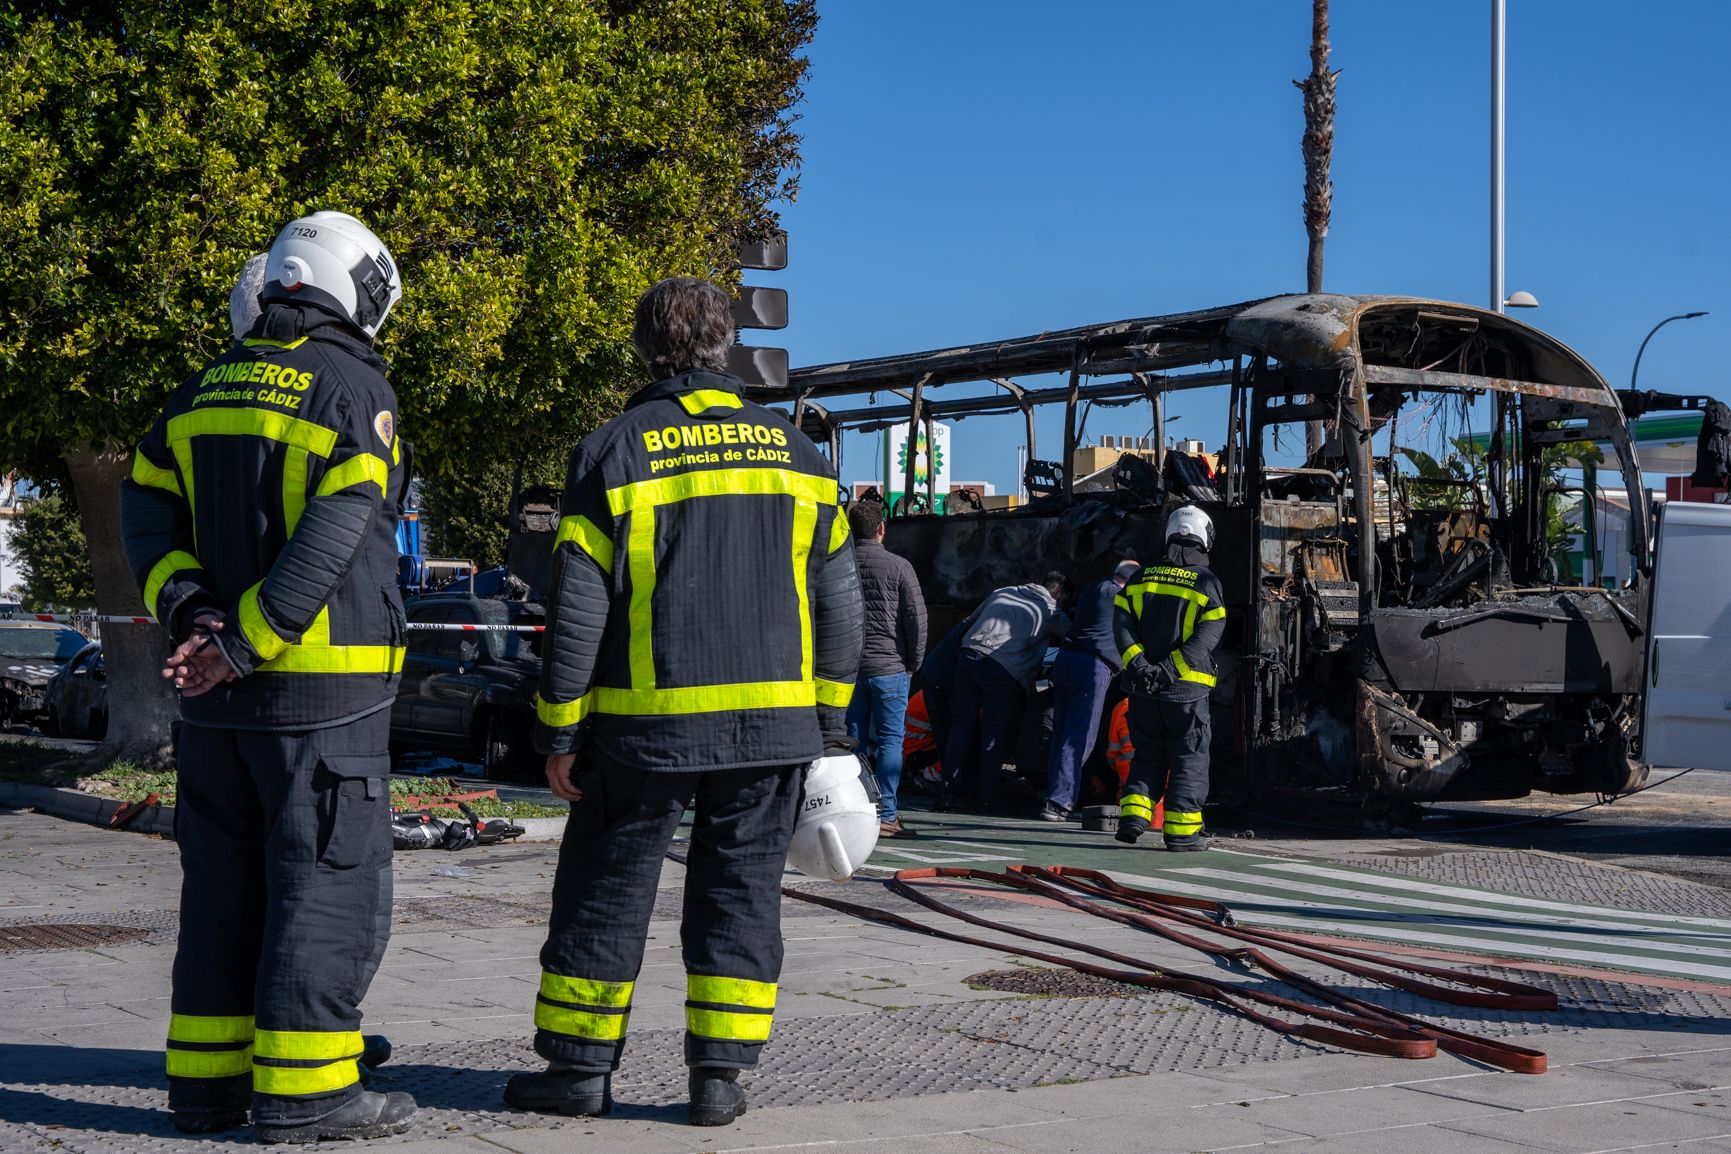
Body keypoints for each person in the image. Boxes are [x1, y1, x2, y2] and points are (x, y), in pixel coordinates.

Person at [506, 277, 862, 1128]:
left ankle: (580, 1070)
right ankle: (719, 1078)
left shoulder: (612, 451)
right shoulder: (798, 454)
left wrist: (559, 727)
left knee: (605, 891)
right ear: (724, 348)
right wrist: (832, 727)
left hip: (644, 733)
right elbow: (842, 599)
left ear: (641, 347)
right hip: (773, 733)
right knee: (740, 895)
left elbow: (581, 602)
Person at [121, 213, 416, 1142]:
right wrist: (243, 639)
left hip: (216, 711)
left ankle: (207, 1089)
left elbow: (145, 516)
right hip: (323, 703)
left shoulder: (195, 392)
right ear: (354, 288)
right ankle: (308, 1094)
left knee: (219, 890)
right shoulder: (352, 385)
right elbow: (337, 530)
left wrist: (194, 617)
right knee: (323, 885)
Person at [1112, 505, 1225, 851]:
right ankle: (1182, 833)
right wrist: (1169, 671)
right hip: (1185, 693)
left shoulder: (1140, 578)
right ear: (1204, 539)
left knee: (1146, 754)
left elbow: (1121, 627)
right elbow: (1208, 636)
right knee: (1189, 758)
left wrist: (1141, 667)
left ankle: (1132, 818)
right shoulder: (1207, 582)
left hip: (1143, 690)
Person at [943, 573, 1071, 812]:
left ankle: (949, 791)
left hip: (968, 656)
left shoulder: (1002, 592)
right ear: (1059, 593)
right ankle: (988, 795)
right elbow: (1074, 639)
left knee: (961, 726)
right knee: (994, 733)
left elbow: (968, 623)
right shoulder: (1051, 609)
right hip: (1002, 671)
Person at [846, 500, 927, 839]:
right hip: (890, 669)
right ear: (881, 529)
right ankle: (888, 816)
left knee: (851, 744)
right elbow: (916, 620)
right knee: (892, 742)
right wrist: (912, 664)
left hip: (847, 671)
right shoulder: (899, 567)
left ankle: (852, 810)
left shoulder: (838, 565)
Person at [1042, 559, 1140, 821]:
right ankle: (1060, 802)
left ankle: (1054, 797)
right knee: (1078, 738)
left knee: (1061, 734)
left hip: (1066, 661)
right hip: (1092, 668)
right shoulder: (1122, 597)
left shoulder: (1092, 590)